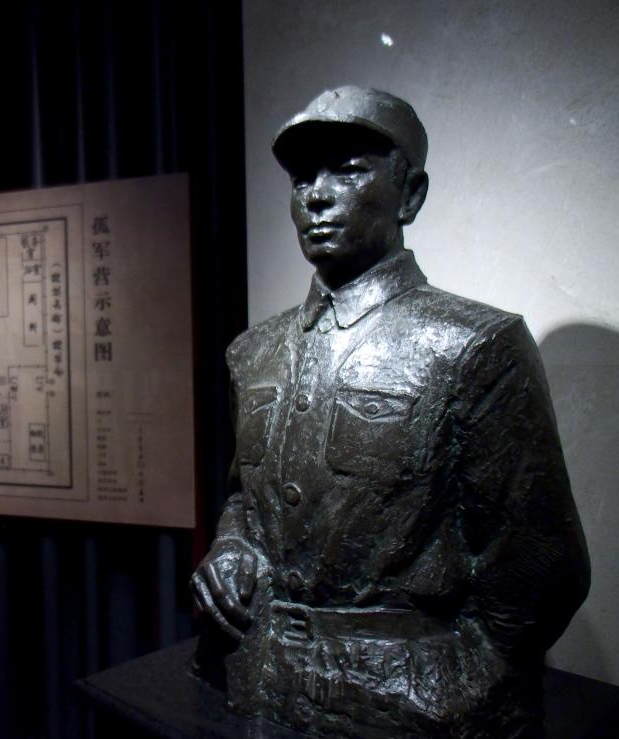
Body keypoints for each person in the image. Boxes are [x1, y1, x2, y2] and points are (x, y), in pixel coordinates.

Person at [190, 87, 590, 737]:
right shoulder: (253, 352)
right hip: (251, 672)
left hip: (406, 695)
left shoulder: (472, 346)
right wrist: (232, 546)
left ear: (410, 194)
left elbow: (541, 562)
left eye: (348, 171)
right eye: (302, 179)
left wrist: (461, 687)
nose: (317, 196)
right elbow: (245, 495)